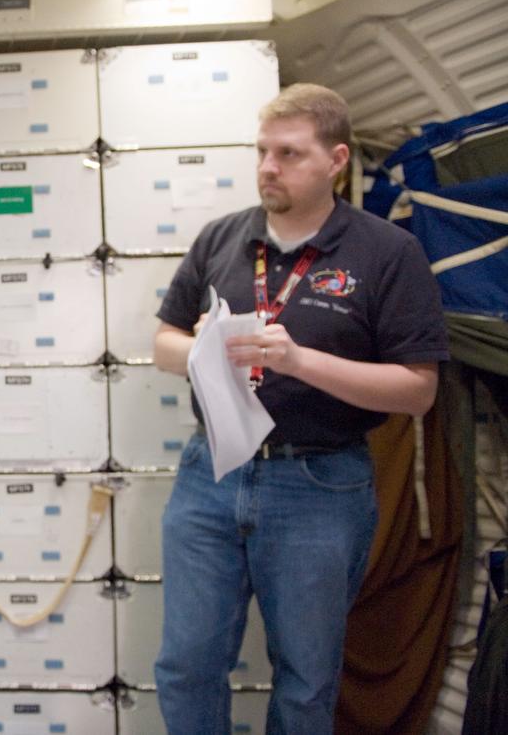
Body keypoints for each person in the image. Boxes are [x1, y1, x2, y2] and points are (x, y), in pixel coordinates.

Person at [150, 83, 449, 733]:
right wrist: (200, 349)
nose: (267, 167)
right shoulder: (222, 239)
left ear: (336, 159)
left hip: (321, 481)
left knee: (307, 680)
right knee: (185, 665)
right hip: (212, 473)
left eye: (288, 153)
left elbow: (418, 389)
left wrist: (298, 360)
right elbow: (163, 341)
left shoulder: (386, 253)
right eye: (262, 151)